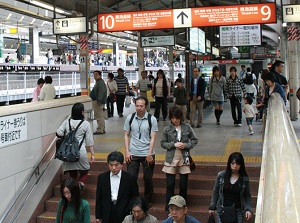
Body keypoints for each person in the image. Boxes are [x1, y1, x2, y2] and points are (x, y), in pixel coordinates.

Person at [161, 106, 198, 211]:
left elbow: (194, 140)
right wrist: (173, 144)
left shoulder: (187, 127)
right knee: (170, 183)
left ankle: (182, 205)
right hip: (171, 158)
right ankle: (169, 206)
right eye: (172, 118)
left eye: (176, 118)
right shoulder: (167, 129)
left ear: (180, 117)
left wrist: (185, 145)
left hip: (184, 158)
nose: (175, 120)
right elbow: (163, 143)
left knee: (183, 184)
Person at [124, 96, 158, 204]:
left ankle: (147, 201)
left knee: (147, 178)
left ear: (146, 107)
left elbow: (153, 137)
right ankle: (135, 199)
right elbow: (126, 135)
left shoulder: (151, 119)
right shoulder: (130, 118)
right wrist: (127, 152)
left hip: (147, 153)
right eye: (137, 106)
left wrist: (149, 153)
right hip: (133, 153)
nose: (139, 108)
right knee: (131, 178)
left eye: (141, 106)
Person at [56, 103, 95, 192]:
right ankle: (80, 185)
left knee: (72, 173)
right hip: (80, 152)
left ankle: (71, 191)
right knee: (85, 171)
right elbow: (89, 141)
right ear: (82, 112)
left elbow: (58, 133)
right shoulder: (86, 124)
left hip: (68, 153)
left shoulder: (67, 122)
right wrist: (92, 154)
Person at [208, 152, 253, 223]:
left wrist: (248, 209)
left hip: (237, 210)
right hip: (222, 210)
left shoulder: (244, 178)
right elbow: (216, 191)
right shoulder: (221, 175)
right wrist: (212, 207)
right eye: (233, 163)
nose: (235, 166)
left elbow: (247, 195)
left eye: (237, 164)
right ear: (229, 164)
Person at [95, 151, 139, 223]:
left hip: (124, 212)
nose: (113, 168)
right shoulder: (102, 178)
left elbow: (135, 197)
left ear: (122, 165)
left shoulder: (130, 178)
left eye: (116, 165)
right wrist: (98, 216)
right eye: (111, 165)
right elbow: (99, 198)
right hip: (107, 212)